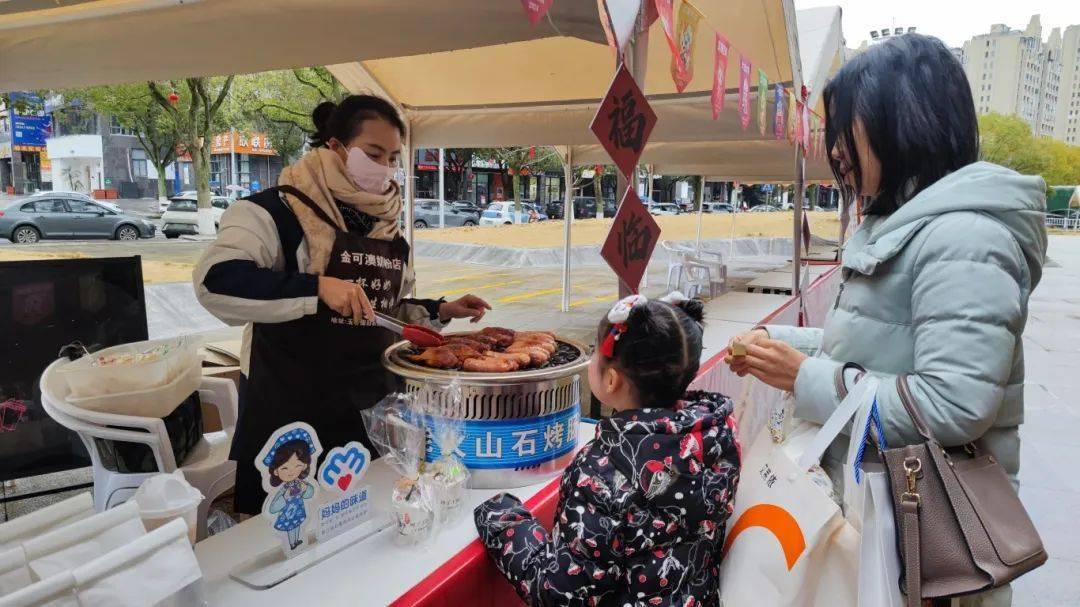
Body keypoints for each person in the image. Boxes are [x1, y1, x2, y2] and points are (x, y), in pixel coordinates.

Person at [727, 34, 1046, 606]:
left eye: (851, 128)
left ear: (907, 122)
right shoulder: (910, 224)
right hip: (882, 515)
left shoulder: (964, 236)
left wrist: (806, 377)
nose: (839, 150)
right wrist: (781, 345)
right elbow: (882, 346)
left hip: (925, 542)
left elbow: (950, 406)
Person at [194, 95, 490, 515]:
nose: (384, 168)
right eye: (373, 154)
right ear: (335, 147)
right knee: (292, 534)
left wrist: (442, 310)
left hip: (369, 414)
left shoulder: (389, 232)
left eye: (391, 158)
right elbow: (215, 282)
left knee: (366, 528)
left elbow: (383, 310)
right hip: (292, 412)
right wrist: (316, 288)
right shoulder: (273, 213)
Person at [475, 293, 740, 606]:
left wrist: (506, 523)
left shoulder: (603, 472)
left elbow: (561, 593)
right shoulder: (716, 435)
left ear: (611, 380)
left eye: (594, 354)